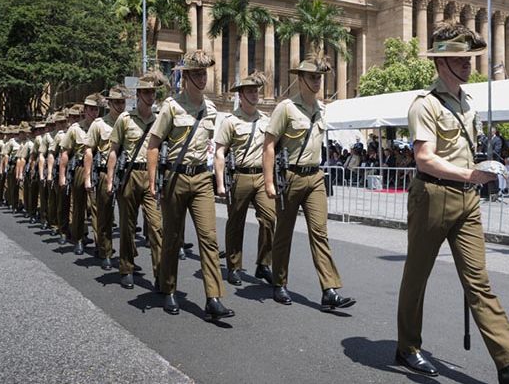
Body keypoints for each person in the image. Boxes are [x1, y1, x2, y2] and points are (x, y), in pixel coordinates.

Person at [396, 23, 509, 383]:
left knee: (478, 282)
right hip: (433, 195)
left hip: (467, 200)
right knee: (417, 276)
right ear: (441, 63)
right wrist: (469, 175)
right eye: (459, 58)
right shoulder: (424, 105)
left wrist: (480, 170)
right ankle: (407, 347)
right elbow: (424, 158)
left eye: (468, 57)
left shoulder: (468, 102)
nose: (468, 64)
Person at [262, 53, 356, 312]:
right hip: (290, 176)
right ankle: (279, 282)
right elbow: (269, 145)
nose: (317, 82)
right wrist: (269, 181)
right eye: (312, 77)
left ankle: (329, 290)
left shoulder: (320, 108)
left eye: (320, 77)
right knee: (284, 232)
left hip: (315, 177)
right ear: (300, 78)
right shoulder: (286, 108)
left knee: (320, 233)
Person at [147, 51, 233, 320]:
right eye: (196, 73)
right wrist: (152, 183)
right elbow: (153, 144)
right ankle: (169, 288)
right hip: (175, 178)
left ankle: (213, 297)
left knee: (208, 238)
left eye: (204, 72)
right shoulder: (171, 106)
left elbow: (215, 146)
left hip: (201, 179)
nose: (202, 77)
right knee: (172, 237)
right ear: (186, 76)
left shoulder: (211, 109)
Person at [214, 71, 275, 287]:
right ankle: (233, 266)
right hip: (239, 175)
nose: (255, 94)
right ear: (240, 95)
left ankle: (263, 264)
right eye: (249, 91)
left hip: (261, 176)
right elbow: (220, 152)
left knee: (269, 219)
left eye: (256, 90)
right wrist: (220, 183)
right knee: (235, 223)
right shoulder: (230, 121)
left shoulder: (266, 121)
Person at [106, 76, 163, 291]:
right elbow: (113, 151)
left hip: (151, 176)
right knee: (127, 226)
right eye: (146, 92)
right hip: (130, 175)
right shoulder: (125, 120)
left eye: (153, 92)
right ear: (138, 94)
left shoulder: (159, 120)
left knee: (156, 227)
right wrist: (111, 180)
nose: (150, 96)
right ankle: (127, 268)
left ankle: (161, 273)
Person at [85, 86, 128, 270]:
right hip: (104, 172)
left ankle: (128, 256)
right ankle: (106, 251)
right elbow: (89, 151)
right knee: (104, 216)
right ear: (109, 103)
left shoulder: (129, 122)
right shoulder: (99, 124)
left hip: (126, 173)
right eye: (116, 102)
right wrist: (88, 177)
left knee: (128, 218)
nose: (120, 105)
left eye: (122, 101)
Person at [60, 96, 100, 256]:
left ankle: (100, 243)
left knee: (97, 207)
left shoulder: (102, 126)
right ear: (84, 110)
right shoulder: (75, 129)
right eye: (90, 109)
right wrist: (62, 175)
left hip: (97, 169)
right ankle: (79, 239)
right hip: (80, 169)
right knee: (79, 207)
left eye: (96, 109)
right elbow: (65, 152)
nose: (93, 112)